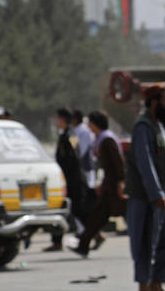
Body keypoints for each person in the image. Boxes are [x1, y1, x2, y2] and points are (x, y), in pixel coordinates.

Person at [125, 86, 165, 291]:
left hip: (164, 200)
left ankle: (156, 283)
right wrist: (156, 194)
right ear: (154, 102)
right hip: (147, 199)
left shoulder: (159, 126)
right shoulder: (143, 127)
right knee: (145, 244)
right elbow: (145, 163)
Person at [70, 111, 125, 257]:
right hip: (108, 184)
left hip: (112, 185)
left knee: (123, 210)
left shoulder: (107, 140)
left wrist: (119, 181)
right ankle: (84, 244)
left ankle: (84, 244)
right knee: (97, 216)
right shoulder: (101, 139)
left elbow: (117, 163)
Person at [46, 107, 88, 252]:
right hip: (67, 178)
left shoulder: (71, 134)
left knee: (76, 209)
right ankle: (57, 241)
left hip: (72, 179)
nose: (56, 121)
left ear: (63, 119)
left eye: (58, 118)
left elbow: (75, 156)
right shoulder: (65, 133)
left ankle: (94, 234)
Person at [72, 109, 96, 189]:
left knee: (89, 187)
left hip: (85, 166)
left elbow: (82, 150)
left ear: (75, 119)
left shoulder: (83, 131)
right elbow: (74, 147)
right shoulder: (75, 130)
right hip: (79, 166)